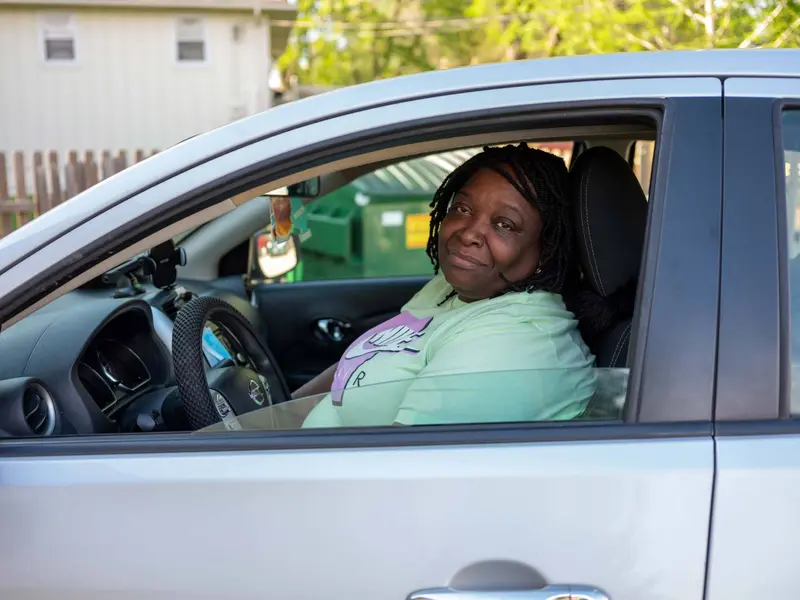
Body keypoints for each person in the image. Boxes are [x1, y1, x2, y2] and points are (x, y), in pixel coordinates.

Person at [294, 143, 596, 427]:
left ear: (545, 250)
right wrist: (270, 414)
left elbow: (403, 467)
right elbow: (371, 356)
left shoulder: (514, 344)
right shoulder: (453, 291)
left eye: (505, 224)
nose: (468, 234)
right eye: (463, 209)